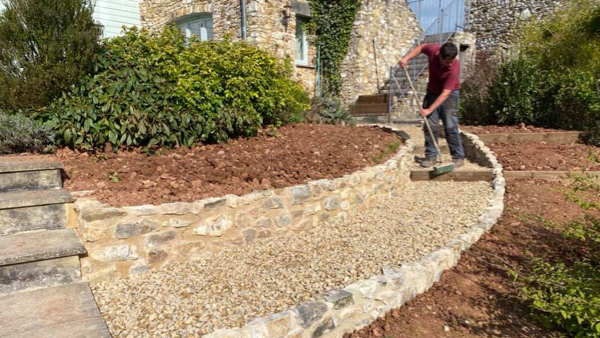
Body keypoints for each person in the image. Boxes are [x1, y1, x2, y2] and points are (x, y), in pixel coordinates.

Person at [399, 42, 465, 168]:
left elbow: (445, 94)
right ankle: (431, 157)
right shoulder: (434, 50)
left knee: (450, 126)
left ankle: (458, 157)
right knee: (430, 125)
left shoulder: (454, 68)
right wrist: (406, 59)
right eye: (447, 61)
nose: (449, 64)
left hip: (450, 95)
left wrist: (429, 109)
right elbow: (421, 47)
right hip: (432, 92)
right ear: (439, 56)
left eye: (451, 61)